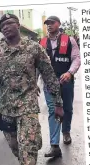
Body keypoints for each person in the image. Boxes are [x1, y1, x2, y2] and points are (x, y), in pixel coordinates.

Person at [0, 13, 64, 165]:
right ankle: (30, 159)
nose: (5, 27)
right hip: (6, 112)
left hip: (28, 110)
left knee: (27, 163)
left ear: (18, 25)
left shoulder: (33, 47)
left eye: (9, 23)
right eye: (2, 26)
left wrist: (58, 103)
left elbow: (49, 75)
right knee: (18, 152)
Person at [39, 16, 81, 157]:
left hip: (66, 81)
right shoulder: (42, 42)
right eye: (47, 24)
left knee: (67, 108)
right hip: (49, 84)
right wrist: (34, 83)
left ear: (58, 24)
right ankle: (54, 145)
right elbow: (37, 64)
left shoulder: (69, 40)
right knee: (53, 110)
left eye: (52, 23)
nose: (49, 25)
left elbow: (76, 58)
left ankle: (66, 131)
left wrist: (70, 72)